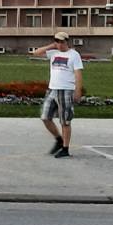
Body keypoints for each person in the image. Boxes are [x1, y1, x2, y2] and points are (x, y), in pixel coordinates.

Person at [28, 30, 84, 158]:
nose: (59, 44)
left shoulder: (74, 55)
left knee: (65, 120)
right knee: (45, 117)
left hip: (66, 89)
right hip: (53, 89)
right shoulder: (53, 53)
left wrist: (78, 90)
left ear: (66, 42)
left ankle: (65, 148)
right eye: (57, 41)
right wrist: (51, 46)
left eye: (61, 42)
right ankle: (58, 139)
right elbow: (35, 53)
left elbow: (78, 74)